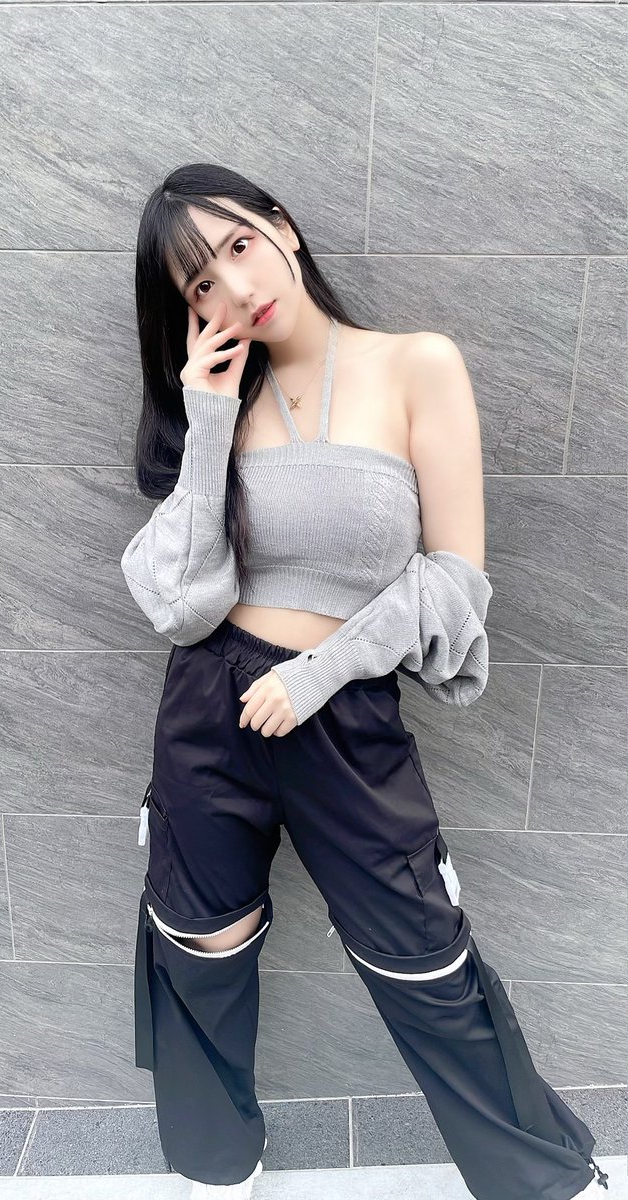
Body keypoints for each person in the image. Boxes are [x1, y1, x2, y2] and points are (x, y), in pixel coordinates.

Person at [121, 163, 608, 1200]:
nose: (233, 287)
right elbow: (185, 605)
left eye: (238, 246)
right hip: (210, 707)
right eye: (199, 283)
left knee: (424, 956)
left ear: (283, 228)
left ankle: (543, 1182)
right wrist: (206, 423)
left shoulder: (415, 365)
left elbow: (456, 578)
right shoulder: (219, 405)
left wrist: (323, 671)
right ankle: (215, 1171)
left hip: (341, 715)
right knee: (201, 948)